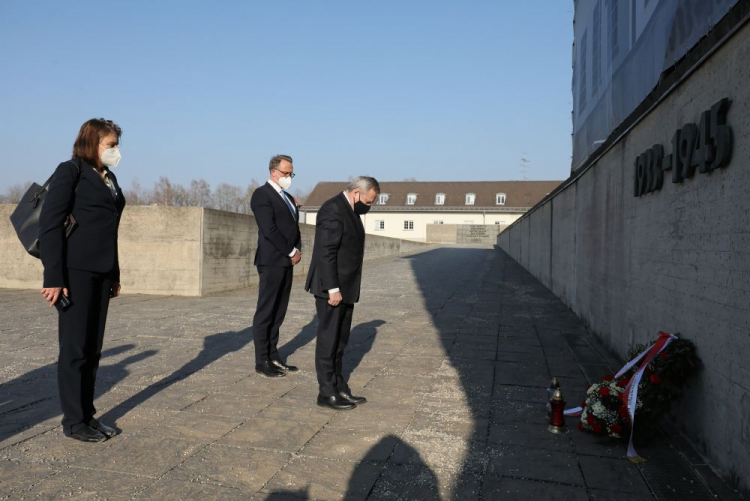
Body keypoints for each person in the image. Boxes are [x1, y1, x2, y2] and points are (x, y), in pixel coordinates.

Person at [39, 118, 126, 442]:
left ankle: (87, 415)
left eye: (117, 144)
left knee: (93, 350)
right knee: (75, 349)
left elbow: (110, 232)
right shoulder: (70, 171)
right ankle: (74, 422)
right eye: (111, 144)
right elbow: (49, 225)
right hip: (74, 272)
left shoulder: (110, 179)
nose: (116, 150)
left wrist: (114, 274)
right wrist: (53, 276)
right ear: (92, 143)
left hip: (102, 273)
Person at [305, 176, 379, 410]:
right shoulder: (333, 209)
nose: (369, 206)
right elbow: (326, 252)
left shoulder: (351, 211)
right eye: (368, 201)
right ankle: (326, 393)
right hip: (332, 288)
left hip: (346, 287)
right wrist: (333, 289)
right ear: (357, 193)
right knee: (329, 340)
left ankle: (339, 386)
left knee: (340, 340)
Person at [250, 155, 302, 377]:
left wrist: (296, 249)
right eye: (285, 173)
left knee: (279, 311)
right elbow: (269, 229)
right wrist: (291, 251)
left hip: (286, 262)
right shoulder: (262, 194)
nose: (289, 177)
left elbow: (292, 227)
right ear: (273, 171)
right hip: (271, 261)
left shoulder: (288, 197)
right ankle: (262, 360)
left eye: (291, 173)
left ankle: (273, 355)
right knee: (267, 311)